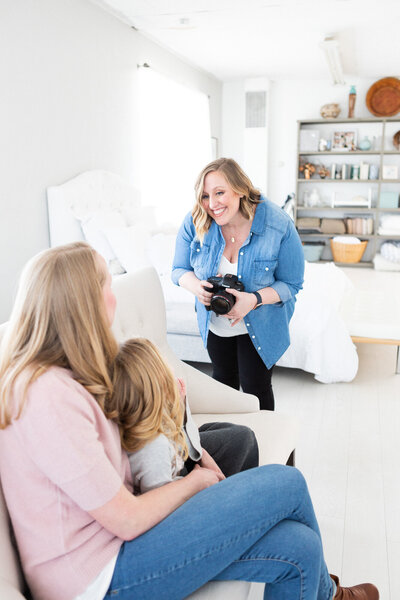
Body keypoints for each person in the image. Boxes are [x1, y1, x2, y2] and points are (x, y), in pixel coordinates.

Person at [0, 242, 378, 600]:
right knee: (287, 481)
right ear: (82, 305)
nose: (113, 297)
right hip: (96, 578)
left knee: (300, 548)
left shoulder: (66, 371)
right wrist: (196, 483)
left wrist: (185, 435)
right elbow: (127, 520)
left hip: (121, 543)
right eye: (106, 286)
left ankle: (327, 593)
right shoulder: (45, 396)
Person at [172, 158, 305, 411]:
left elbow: (291, 284)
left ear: (240, 189)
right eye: (204, 196)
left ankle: (267, 446)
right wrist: (197, 287)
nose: (212, 204)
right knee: (222, 384)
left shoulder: (278, 225)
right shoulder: (197, 220)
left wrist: (253, 300)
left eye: (220, 193)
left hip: (262, 323)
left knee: (256, 388)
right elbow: (179, 270)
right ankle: (232, 442)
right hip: (215, 324)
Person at [109, 337, 225, 494]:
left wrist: (180, 405)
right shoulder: (154, 447)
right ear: (159, 383)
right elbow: (163, 499)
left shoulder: (144, 411)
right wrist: (200, 481)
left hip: (178, 455)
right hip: (177, 487)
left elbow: (187, 442)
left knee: (235, 435)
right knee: (243, 440)